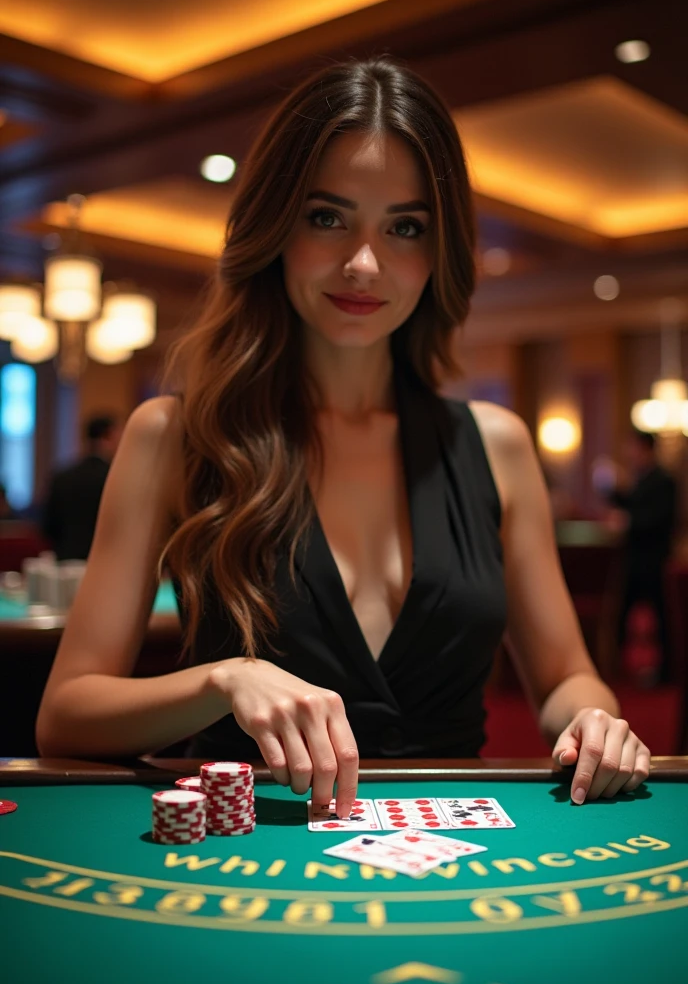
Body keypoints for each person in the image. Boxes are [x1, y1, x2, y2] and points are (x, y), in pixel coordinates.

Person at [36, 56, 650, 818]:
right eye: (326, 217)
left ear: (438, 251)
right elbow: (66, 711)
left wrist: (592, 719)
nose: (364, 263)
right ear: (275, 225)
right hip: (241, 859)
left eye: (404, 227)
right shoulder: (173, 436)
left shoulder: (497, 444)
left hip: (455, 843)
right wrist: (221, 679)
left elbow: (563, 677)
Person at [605, 428, 678, 684]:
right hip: (634, 562)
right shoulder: (641, 479)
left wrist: (628, 523)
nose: (630, 453)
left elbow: (659, 520)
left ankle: (667, 672)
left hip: (654, 562)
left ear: (646, 449)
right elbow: (631, 505)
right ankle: (618, 668)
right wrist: (610, 491)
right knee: (623, 615)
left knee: (663, 618)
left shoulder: (664, 481)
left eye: (634, 448)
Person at [42, 414, 121, 560]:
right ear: (108, 436)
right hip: (104, 563)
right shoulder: (116, 478)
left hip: (64, 561)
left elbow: (48, 527)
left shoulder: (61, 476)